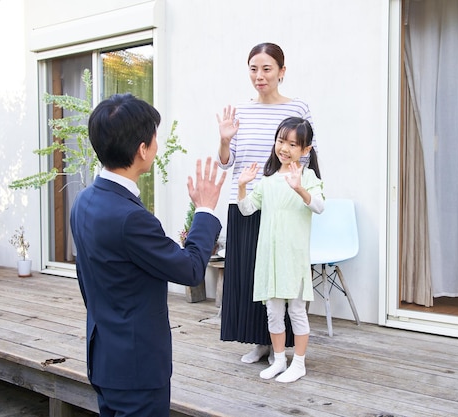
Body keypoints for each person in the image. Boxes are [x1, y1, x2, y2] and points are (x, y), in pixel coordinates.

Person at [70, 93, 226, 417]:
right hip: (137, 370)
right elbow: (191, 269)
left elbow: (87, 283)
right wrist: (206, 209)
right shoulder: (131, 218)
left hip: (104, 358)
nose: (156, 144)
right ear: (142, 150)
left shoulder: (83, 202)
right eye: (154, 137)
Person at [216, 42, 317, 364]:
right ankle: (259, 342)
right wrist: (224, 139)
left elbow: (309, 155)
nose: (259, 76)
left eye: (267, 68)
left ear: (282, 72)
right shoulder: (240, 112)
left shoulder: (298, 108)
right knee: (248, 276)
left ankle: (281, 349)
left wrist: (301, 192)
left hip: (283, 204)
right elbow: (226, 163)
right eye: (253, 69)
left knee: (281, 278)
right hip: (244, 200)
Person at [237, 117, 323, 383]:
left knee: (296, 310)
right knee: (273, 312)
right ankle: (279, 359)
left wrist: (300, 189)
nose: (284, 148)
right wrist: (242, 185)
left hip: (293, 258)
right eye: (281, 141)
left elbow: (319, 206)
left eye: (293, 144)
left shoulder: (307, 177)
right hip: (269, 259)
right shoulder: (269, 180)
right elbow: (246, 208)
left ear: (306, 150)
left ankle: (299, 363)